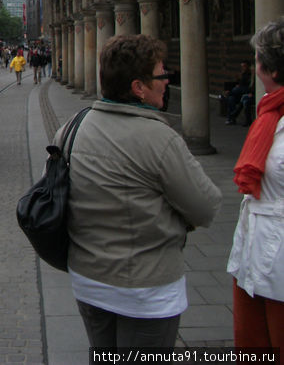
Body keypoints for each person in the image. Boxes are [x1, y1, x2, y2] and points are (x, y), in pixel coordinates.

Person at [66, 34, 221, 349]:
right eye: (162, 75)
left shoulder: (71, 128)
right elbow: (205, 207)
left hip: (89, 283)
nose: (167, 82)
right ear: (139, 87)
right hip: (145, 290)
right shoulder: (160, 138)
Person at [227, 18, 284, 348]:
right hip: (254, 255)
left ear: (271, 70)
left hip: (277, 263)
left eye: (258, 59)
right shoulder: (270, 113)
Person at [225, 60, 254, 125]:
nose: (243, 68)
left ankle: (230, 93)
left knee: (236, 91)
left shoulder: (250, 75)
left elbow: (250, 87)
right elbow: (239, 84)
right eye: (242, 66)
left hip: (247, 93)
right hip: (240, 94)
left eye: (244, 66)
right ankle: (231, 119)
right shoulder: (242, 74)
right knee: (231, 98)